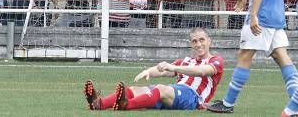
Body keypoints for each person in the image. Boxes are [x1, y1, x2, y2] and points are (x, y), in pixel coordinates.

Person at [84, 26, 224, 111]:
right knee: (133, 90)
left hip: (193, 98)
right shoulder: (186, 61)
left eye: (202, 40)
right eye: (194, 41)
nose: (198, 44)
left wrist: (174, 67)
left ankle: (126, 105)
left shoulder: (216, 60)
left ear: (209, 41)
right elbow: (164, 70)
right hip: (174, 92)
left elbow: (203, 71)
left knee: (161, 89)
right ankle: (99, 104)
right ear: (191, 44)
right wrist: (149, 71)